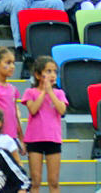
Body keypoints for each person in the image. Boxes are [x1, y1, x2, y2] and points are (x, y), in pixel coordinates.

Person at [23, 56, 68, 193]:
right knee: (35, 180)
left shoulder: (59, 93)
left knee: (53, 181)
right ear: (38, 75)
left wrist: (51, 92)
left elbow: (61, 110)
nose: (52, 75)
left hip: (53, 139)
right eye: (48, 71)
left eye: (54, 71)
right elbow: (33, 109)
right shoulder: (30, 92)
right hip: (34, 139)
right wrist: (43, 91)